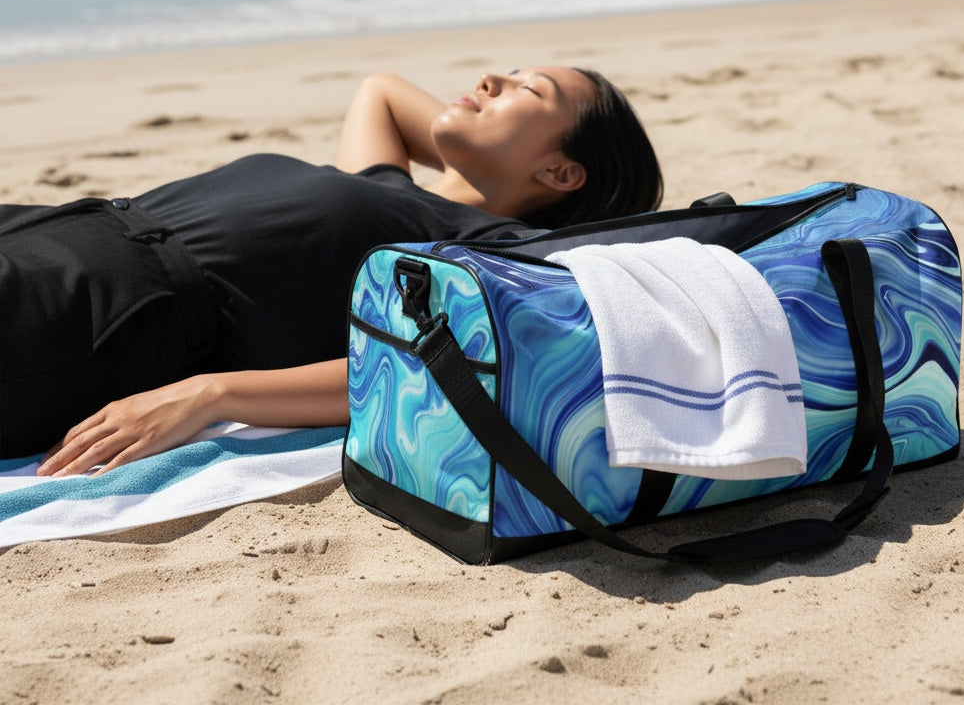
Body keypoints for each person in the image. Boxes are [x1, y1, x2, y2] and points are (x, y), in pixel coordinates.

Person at [0, 66, 662, 474]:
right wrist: (475, 149)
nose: (491, 78)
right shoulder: (387, 186)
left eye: (528, 89)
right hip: (59, 224)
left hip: (108, 305)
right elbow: (381, 90)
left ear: (559, 172)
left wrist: (213, 394)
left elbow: (436, 363)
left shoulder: (486, 247)